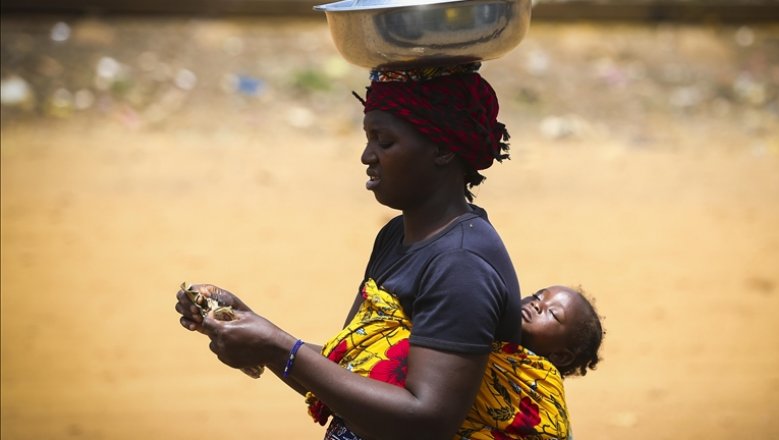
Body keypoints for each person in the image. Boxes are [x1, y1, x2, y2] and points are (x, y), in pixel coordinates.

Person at [175, 63, 523, 440]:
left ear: (441, 149)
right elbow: (348, 374)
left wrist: (277, 348)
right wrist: (250, 325)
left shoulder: (460, 263)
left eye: (384, 142)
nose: (367, 156)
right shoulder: (397, 236)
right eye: (368, 138)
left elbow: (427, 420)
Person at [305, 282, 604, 439]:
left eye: (552, 313)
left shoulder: (540, 387)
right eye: (538, 296)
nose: (536, 306)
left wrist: (282, 350)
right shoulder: (482, 343)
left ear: (561, 355)